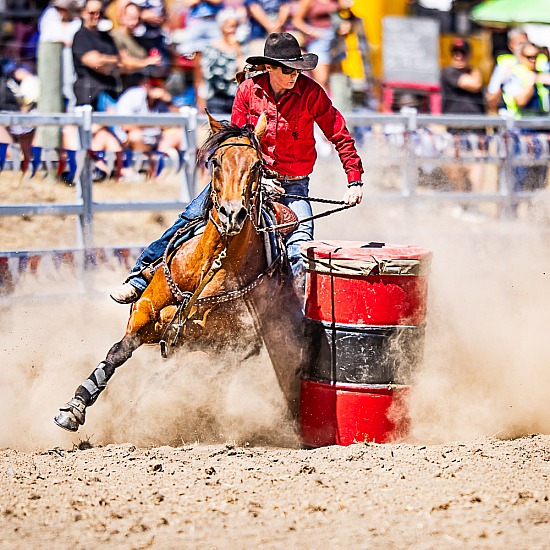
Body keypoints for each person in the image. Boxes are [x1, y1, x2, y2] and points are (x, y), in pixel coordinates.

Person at [110, 31, 364, 304]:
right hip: (244, 179)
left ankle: (293, 316)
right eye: (287, 69)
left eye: (298, 68)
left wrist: (354, 179)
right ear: (269, 67)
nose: (294, 75)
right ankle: (138, 278)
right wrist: (259, 180)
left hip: (294, 185)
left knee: (299, 248)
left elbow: (338, 133)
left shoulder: (311, 93)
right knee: (189, 219)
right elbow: (236, 143)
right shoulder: (248, 91)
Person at [440, 38, 485, 219]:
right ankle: (459, 203)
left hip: (477, 129)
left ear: (468, 54)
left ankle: (472, 206)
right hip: (455, 129)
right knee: (455, 166)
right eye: (455, 52)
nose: (458, 56)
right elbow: (474, 84)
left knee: (476, 165)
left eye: (462, 52)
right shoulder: (448, 72)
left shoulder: (473, 71)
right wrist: (475, 71)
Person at [501, 42, 550, 195]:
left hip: (541, 131)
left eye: (536, 57)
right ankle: (511, 214)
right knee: (518, 176)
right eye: (529, 57)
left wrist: (538, 77)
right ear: (520, 57)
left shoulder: (540, 73)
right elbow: (520, 101)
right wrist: (531, 82)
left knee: (539, 178)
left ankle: (533, 215)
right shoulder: (515, 75)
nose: (533, 60)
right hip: (521, 132)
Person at [199, 7, 245, 114]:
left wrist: (237, 51)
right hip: (216, 99)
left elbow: (245, 72)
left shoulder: (241, 47)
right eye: (230, 26)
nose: (233, 30)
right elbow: (211, 74)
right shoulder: (211, 47)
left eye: (235, 26)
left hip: (235, 98)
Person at [291, 0, 339, 92]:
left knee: (335, 79)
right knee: (321, 79)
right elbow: (297, 21)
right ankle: (323, 104)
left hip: (335, 40)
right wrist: (312, 32)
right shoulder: (309, 1)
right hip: (319, 41)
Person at [486, 28, 528, 113]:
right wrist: (503, 81)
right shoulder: (504, 64)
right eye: (520, 44)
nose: (523, 48)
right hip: (511, 120)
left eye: (526, 43)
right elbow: (491, 98)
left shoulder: (537, 62)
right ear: (511, 45)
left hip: (535, 120)